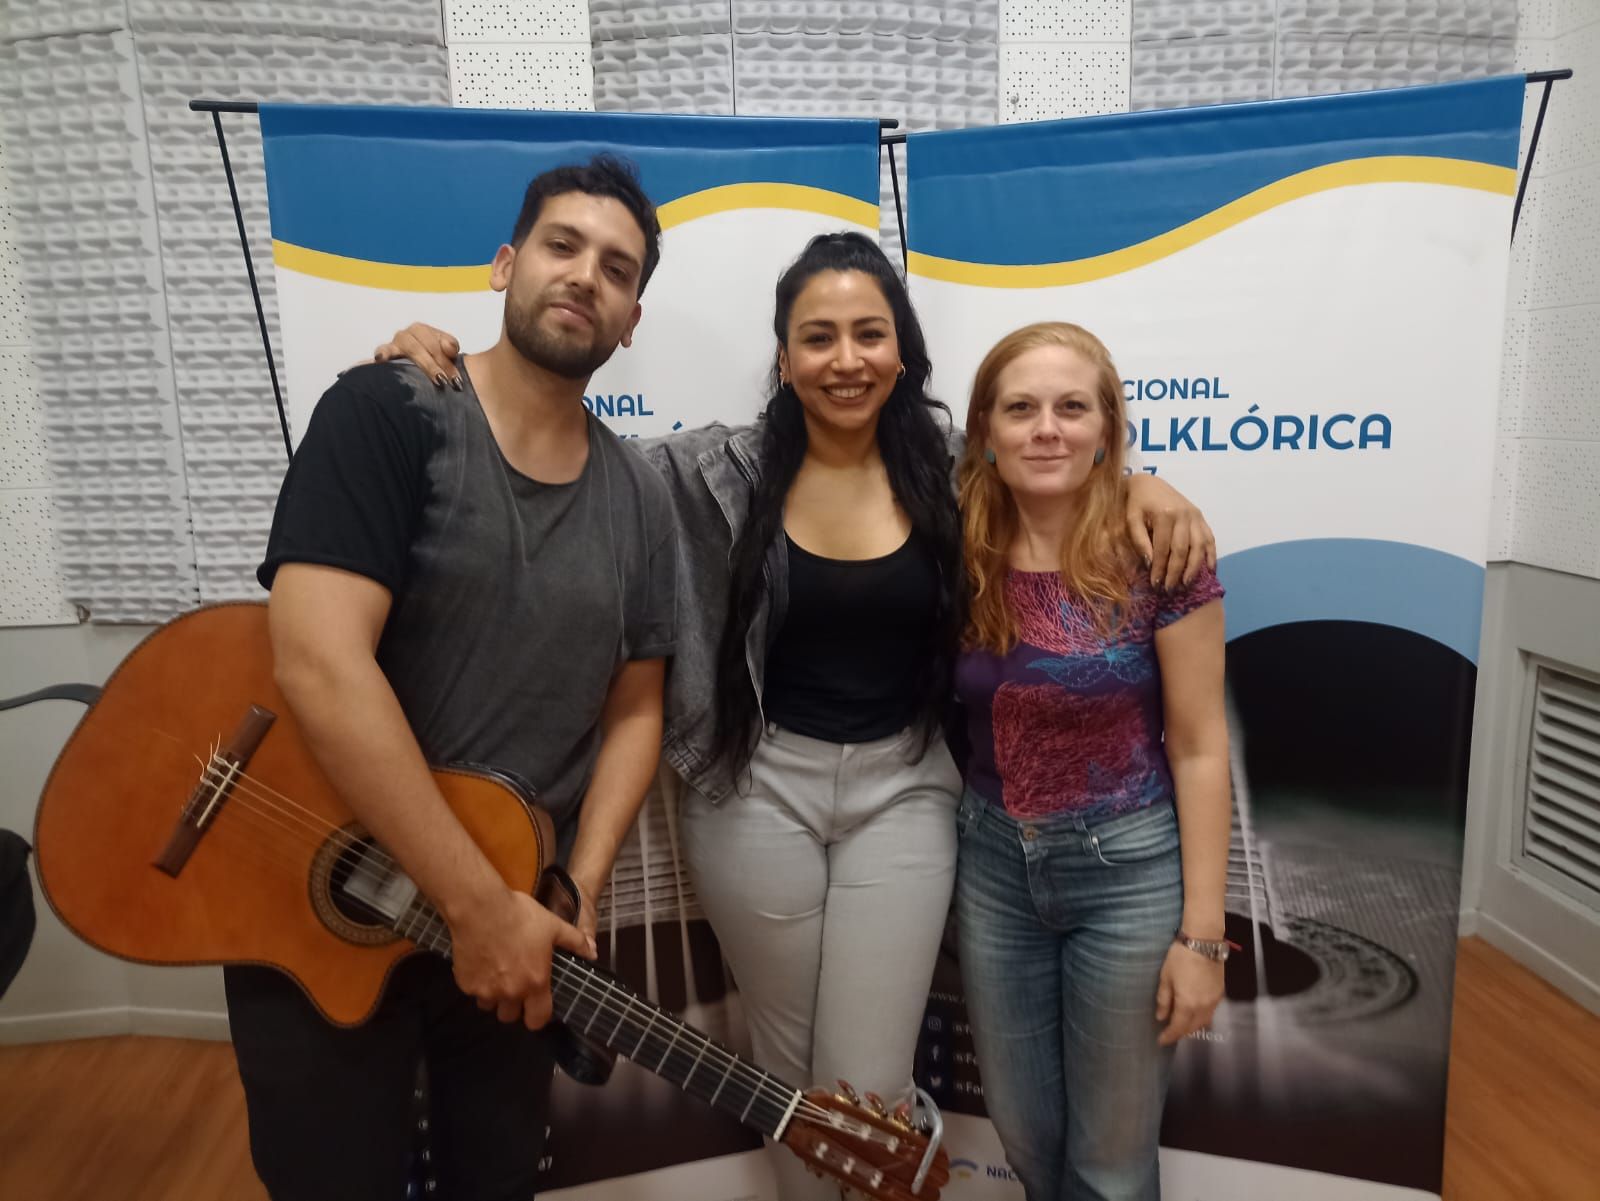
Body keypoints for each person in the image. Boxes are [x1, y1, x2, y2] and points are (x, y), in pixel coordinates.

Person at [376, 233, 1216, 1201]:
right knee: (786, 1076)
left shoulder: (955, 472)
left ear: (902, 352)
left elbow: (1063, 473)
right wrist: (446, 374)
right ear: (783, 358)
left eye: (870, 334)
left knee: (867, 1083)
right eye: (818, 337)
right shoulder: (708, 469)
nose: (845, 358)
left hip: (905, 791)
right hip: (755, 791)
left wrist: (1146, 484)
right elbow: (559, 449)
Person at [231, 155, 677, 1201]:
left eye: (616, 270)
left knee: (498, 1179)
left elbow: (638, 706)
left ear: (630, 321)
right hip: (321, 900)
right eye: (563, 245)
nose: (585, 276)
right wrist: (475, 905)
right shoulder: (386, 413)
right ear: (505, 264)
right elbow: (319, 661)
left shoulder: (640, 497)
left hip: (514, 921)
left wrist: (571, 889)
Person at [952, 321, 1231, 1201]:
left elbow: (1200, 745)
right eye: (1021, 409)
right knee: (1029, 1141)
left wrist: (1203, 937)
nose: (1047, 429)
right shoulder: (957, 548)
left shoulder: (1163, 553)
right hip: (994, 868)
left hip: (1130, 875)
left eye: (1072, 408)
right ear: (985, 431)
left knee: (1110, 1166)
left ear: (1108, 428)